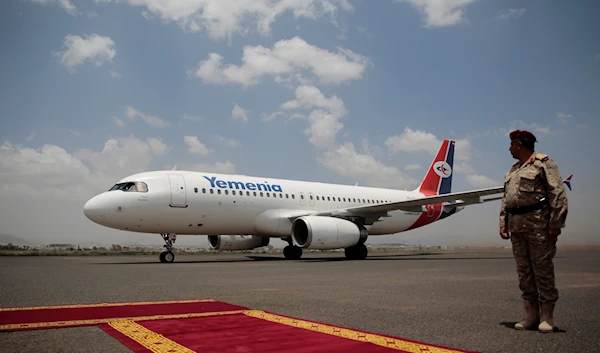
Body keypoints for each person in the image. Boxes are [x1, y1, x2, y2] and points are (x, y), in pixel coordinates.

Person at [499, 130, 568, 333]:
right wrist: (503, 222)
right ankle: (531, 315)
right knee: (525, 273)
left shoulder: (543, 163)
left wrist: (556, 223)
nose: (509, 148)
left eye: (511, 144)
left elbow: (558, 192)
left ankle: (547, 316)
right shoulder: (513, 169)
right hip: (517, 227)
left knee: (542, 270)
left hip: (538, 225)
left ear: (519, 145)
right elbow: (507, 199)